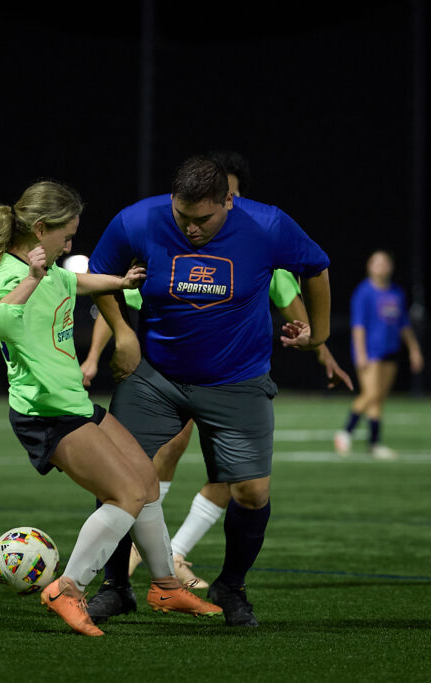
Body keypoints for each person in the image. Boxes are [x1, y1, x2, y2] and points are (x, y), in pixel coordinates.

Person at [79, 151, 350, 590]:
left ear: (228, 201)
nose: (191, 228)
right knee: (119, 474)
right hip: (157, 378)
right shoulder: (138, 220)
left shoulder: (266, 225)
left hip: (236, 381)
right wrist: (123, 334)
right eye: (183, 216)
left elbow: (316, 266)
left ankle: (231, 587)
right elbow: (100, 273)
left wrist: (319, 337)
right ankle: (116, 587)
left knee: (251, 492)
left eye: (202, 219)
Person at [0, 180, 221, 636]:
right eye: (66, 236)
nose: (70, 245)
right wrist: (31, 279)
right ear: (40, 228)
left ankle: (165, 585)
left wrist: (120, 282)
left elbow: (76, 281)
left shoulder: (50, 270)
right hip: (45, 414)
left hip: (74, 404)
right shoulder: (14, 274)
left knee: (146, 482)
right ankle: (67, 588)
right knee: (126, 495)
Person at [334, 250, 424, 459]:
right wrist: (361, 354)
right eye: (376, 262)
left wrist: (414, 350)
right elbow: (358, 326)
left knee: (379, 398)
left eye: (385, 262)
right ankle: (345, 433)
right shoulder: (364, 292)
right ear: (369, 266)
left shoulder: (396, 293)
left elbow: (404, 325)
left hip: (391, 350)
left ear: (391, 266)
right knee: (371, 393)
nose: (381, 266)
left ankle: (374, 443)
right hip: (371, 352)